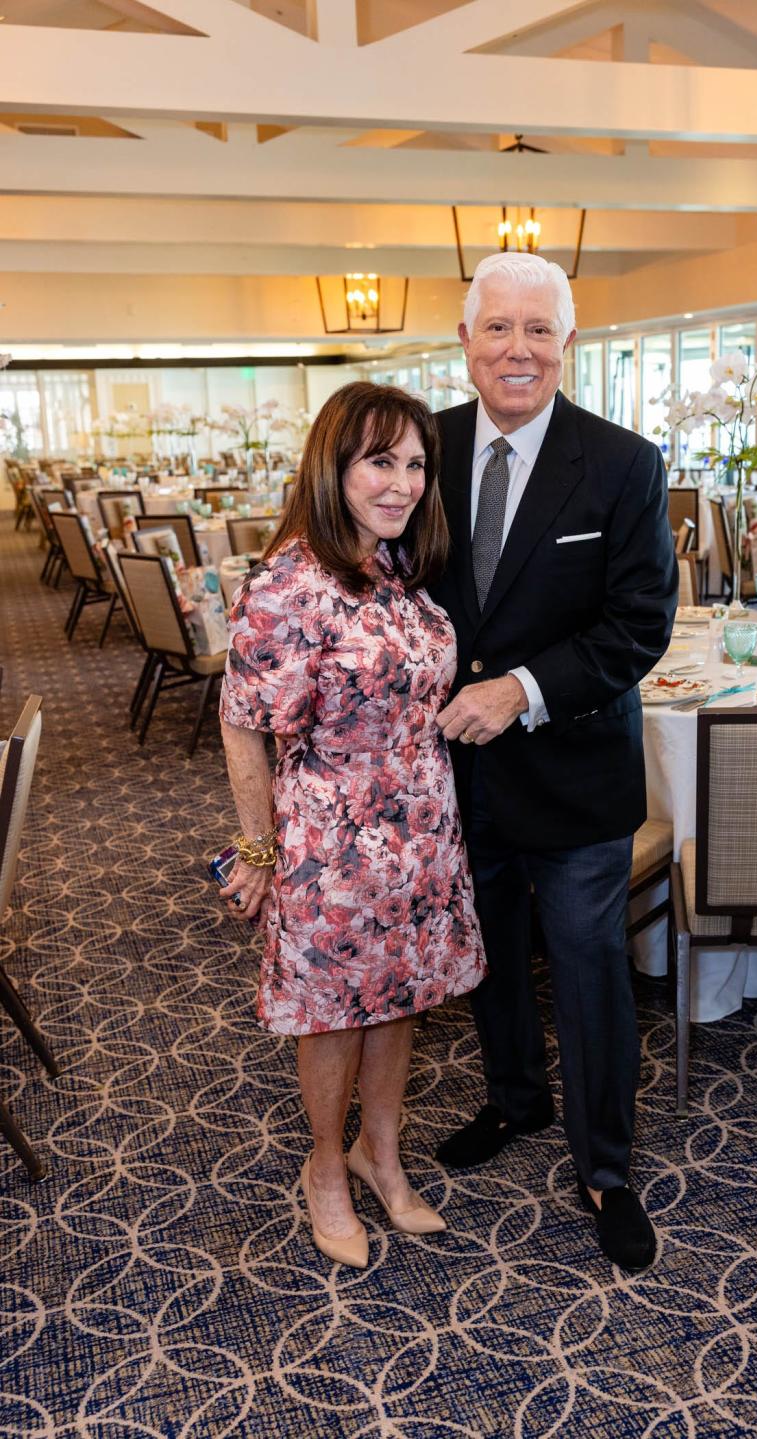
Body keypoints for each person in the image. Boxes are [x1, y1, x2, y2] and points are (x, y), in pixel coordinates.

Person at [431, 252, 677, 1271]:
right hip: (455, 774)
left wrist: (519, 689)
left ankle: (607, 1168)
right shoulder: (419, 450)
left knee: (588, 974)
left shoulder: (623, 463)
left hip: (574, 772)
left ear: (569, 344)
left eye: (540, 330)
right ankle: (515, 1099)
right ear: (467, 341)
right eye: (500, 327)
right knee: (486, 953)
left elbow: (637, 627)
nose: (518, 348)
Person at [218, 382, 486, 1271]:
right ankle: (326, 1167)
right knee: (333, 1012)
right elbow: (242, 715)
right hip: (331, 841)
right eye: (381, 460)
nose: (403, 481)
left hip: (418, 826)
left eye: (415, 463)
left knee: (401, 997)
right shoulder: (290, 580)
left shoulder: (395, 563)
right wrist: (257, 849)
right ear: (333, 466)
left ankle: (381, 1149)